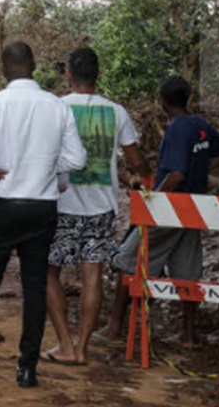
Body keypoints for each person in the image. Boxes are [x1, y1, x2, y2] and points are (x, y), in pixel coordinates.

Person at [0, 41, 86, 388]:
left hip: (3, 203)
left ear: (2, 69)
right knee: (35, 285)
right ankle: (27, 368)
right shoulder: (57, 107)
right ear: (35, 66)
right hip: (41, 207)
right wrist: (47, 169)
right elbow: (77, 160)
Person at [41, 47, 151, 366]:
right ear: (100, 76)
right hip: (102, 207)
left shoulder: (56, 108)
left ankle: (64, 343)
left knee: (49, 272)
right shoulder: (116, 112)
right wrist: (146, 175)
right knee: (93, 276)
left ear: (68, 76)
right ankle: (82, 346)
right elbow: (135, 159)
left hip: (60, 203)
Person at [104, 75, 219, 348]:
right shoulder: (201, 125)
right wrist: (202, 170)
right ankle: (188, 335)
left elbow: (176, 174)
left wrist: (155, 201)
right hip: (196, 209)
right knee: (187, 270)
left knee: (128, 258)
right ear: (188, 99)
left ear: (162, 103)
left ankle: (114, 328)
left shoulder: (176, 128)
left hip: (171, 210)